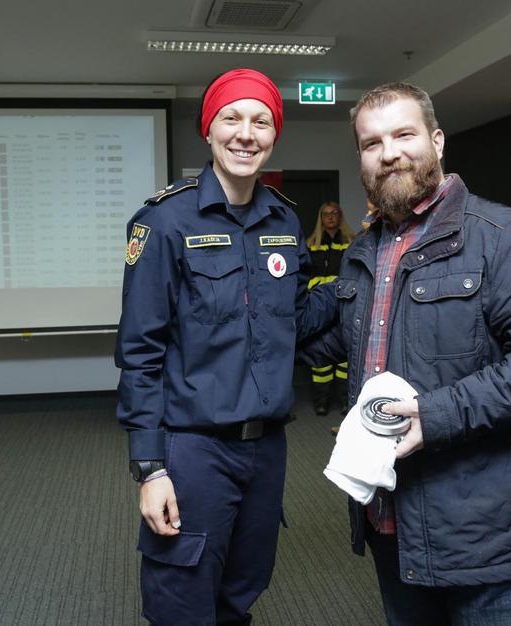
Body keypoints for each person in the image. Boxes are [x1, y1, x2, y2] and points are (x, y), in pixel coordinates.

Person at [303, 82, 511, 626]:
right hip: (391, 520)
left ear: (437, 141)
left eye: (404, 134)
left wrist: (435, 417)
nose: (389, 153)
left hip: (488, 535)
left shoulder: (507, 235)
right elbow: (355, 344)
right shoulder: (362, 252)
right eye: (371, 143)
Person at [115, 68, 336, 626]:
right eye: (231, 118)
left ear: (274, 134)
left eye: (261, 121)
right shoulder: (165, 221)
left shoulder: (284, 220)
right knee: (181, 601)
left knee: (241, 592)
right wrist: (150, 468)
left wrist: (355, 281)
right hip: (193, 449)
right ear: (208, 131)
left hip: (266, 452)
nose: (246, 133)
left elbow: (295, 324)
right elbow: (139, 351)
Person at [306, 201, 354, 415]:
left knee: (345, 355)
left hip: (344, 304)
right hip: (318, 306)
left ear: (340, 216)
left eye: (334, 213)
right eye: (326, 214)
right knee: (320, 358)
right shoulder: (311, 243)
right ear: (321, 218)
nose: (331, 217)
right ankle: (321, 402)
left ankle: (345, 400)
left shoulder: (352, 242)